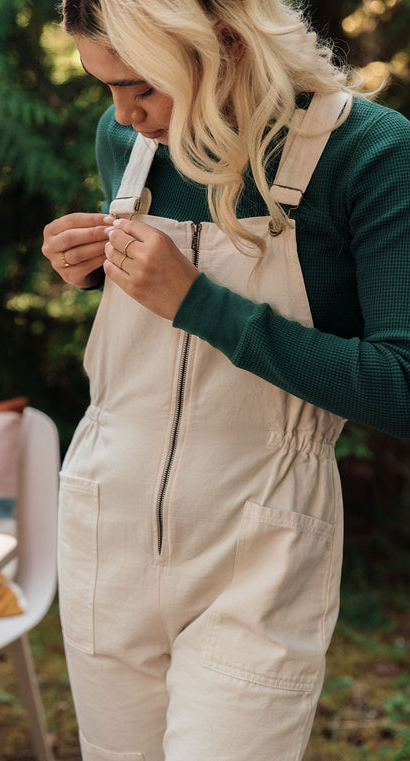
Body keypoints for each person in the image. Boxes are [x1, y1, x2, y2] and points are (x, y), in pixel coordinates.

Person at [41, 1, 410, 759]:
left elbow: (400, 386)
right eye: (102, 84)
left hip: (259, 553)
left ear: (228, 42)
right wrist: (88, 267)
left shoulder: (369, 153)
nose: (123, 113)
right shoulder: (126, 143)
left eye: (141, 84)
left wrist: (199, 305)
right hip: (105, 529)